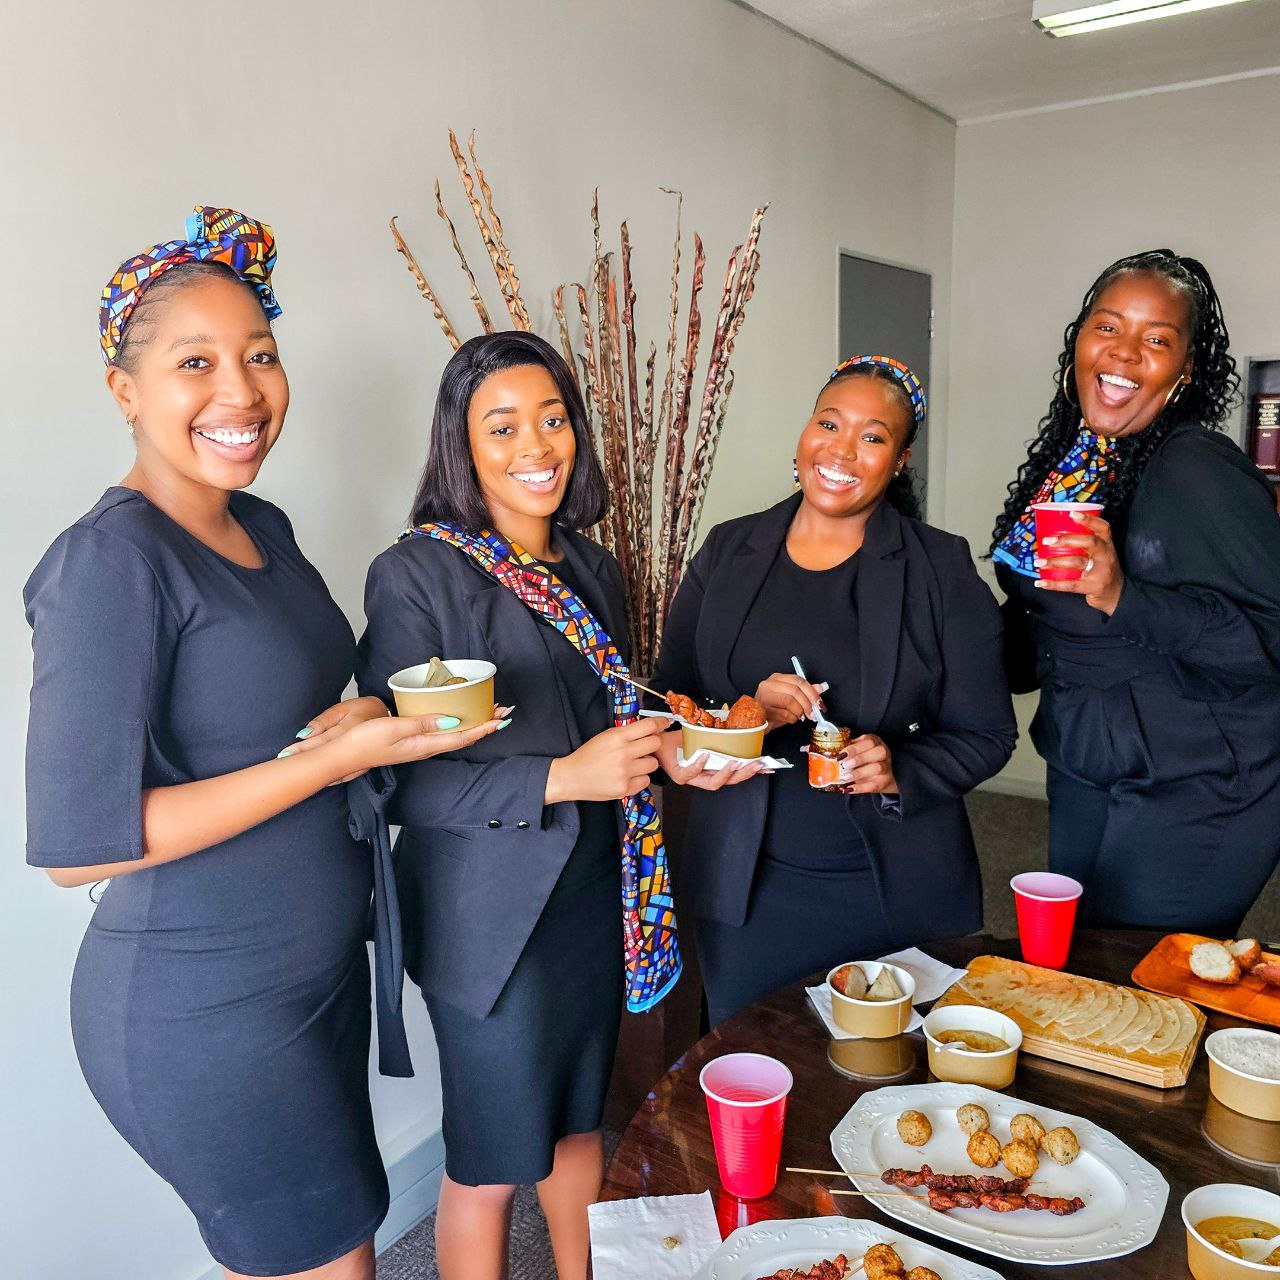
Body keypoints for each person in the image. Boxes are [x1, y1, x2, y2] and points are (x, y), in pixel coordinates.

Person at [24, 208, 504, 1280]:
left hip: (311, 977)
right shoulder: (109, 563)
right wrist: (332, 762)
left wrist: (354, 718)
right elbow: (77, 848)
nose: (241, 392)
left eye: (260, 354)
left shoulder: (263, 526)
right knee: (329, 1259)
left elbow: (270, 713)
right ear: (124, 389)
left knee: (329, 1242)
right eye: (195, 362)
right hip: (201, 1004)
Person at [355, 331, 758, 1280]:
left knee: (580, 1128)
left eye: (552, 419)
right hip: (488, 921)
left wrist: (675, 756)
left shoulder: (592, 567)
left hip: (592, 897)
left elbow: (613, 723)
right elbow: (399, 781)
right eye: (502, 427)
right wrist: (563, 778)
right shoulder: (419, 574)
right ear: (462, 444)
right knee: (490, 1163)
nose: (536, 446)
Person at [653, 354, 1016, 1026]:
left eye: (872, 436)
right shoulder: (729, 551)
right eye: (829, 423)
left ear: (900, 460)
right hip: (745, 892)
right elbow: (668, 699)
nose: (842, 450)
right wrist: (741, 716)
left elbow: (988, 734)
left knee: (886, 1070)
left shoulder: (938, 568)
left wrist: (899, 769)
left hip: (889, 892)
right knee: (752, 1060)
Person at [992, 249, 1280, 934]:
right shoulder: (1078, 459)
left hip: (1199, 781)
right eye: (1108, 326)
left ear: (1185, 370)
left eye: (1157, 339)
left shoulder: (1195, 468)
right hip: (1087, 756)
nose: (1124, 352)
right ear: (1079, 340)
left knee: (1141, 980)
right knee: (1077, 962)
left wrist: (1124, 594)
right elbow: (1044, 618)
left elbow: (1269, 640)